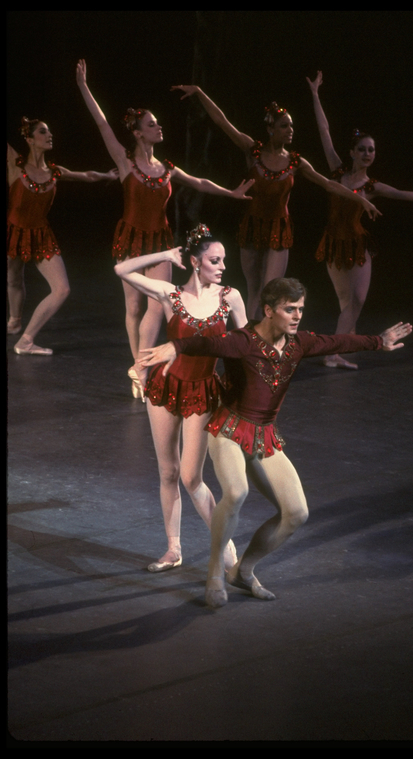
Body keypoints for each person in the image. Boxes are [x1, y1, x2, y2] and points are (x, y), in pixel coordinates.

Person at [139, 277, 412, 607]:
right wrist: (177, 346)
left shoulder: (300, 344)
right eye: (289, 309)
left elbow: (337, 342)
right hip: (228, 429)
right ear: (268, 311)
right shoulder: (244, 341)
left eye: (300, 309)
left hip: (263, 434)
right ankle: (214, 573)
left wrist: (378, 341)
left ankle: (242, 571)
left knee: (296, 513)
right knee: (237, 492)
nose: (297, 316)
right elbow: (210, 345)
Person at [76, 60, 254, 398]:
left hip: (159, 242)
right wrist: (84, 86)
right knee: (133, 308)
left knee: (158, 304)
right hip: (130, 239)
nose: (159, 128)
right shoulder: (125, 162)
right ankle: (137, 366)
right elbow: (101, 124)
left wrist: (230, 193)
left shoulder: (166, 167)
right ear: (138, 132)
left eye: (158, 123)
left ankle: (142, 369)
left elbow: (198, 181)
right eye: (151, 124)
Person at [306, 70, 413, 369]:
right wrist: (315, 94)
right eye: (362, 149)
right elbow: (324, 131)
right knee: (346, 304)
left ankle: (333, 352)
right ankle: (341, 348)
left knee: (355, 303)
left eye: (372, 150)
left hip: (358, 246)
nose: (368, 153)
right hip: (334, 245)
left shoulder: (373, 187)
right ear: (351, 153)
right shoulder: (336, 172)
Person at [172, 84, 382, 320]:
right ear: (271, 129)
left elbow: (328, 184)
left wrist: (360, 200)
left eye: (291, 125)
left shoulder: (296, 162)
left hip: (279, 229)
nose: (291, 130)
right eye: (285, 126)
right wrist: (200, 92)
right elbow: (223, 123)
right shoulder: (253, 151)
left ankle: (262, 342)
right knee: (253, 288)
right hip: (252, 226)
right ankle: (249, 339)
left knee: (269, 290)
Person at [114, 224, 248, 572]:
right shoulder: (169, 294)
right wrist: (164, 255)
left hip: (202, 391)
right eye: (214, 260)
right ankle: (173, 550)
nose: (221, 267)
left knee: (192, 477)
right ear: (194, 262)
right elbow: (121, 269)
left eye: (223, 261)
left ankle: (226, 543)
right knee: (168, 472)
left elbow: (245, 344)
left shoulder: (229, 296)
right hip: (164, 388)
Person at [7, 118, 118, 355]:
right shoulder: (15, 164)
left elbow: (86, 175)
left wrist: (107, 175)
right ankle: (14, 319)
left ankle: (25, 341)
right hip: (13, 232)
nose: (49, 136)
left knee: (62, 289)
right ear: (29, 139)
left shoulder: (55, 172)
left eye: (50, 132)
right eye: (43, 132)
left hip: (41, 234)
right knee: (14, 278)